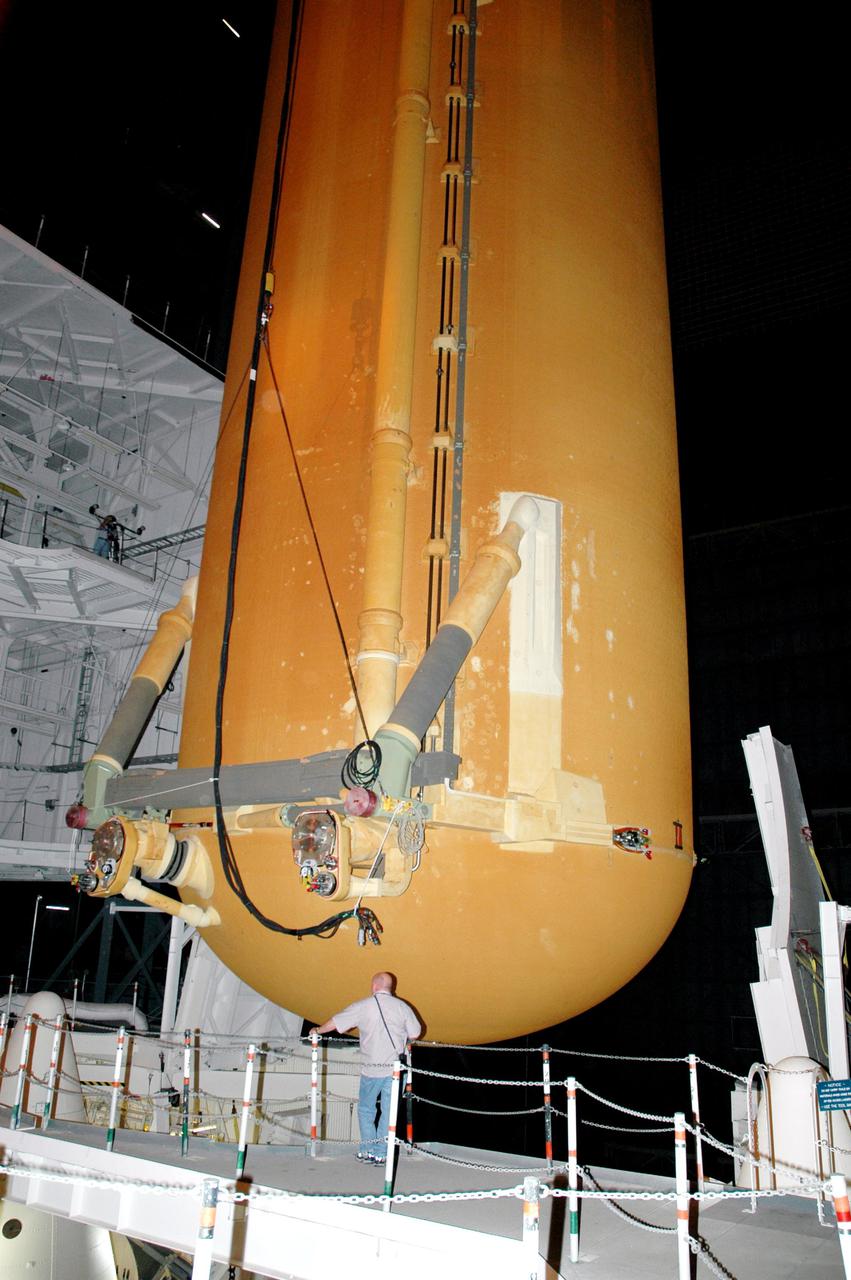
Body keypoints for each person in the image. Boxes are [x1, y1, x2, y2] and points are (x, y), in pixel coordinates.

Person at [310, 972, 421, 1163]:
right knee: (388, 1112)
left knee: (367, 1109)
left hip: (371, 1069)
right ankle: (381, 1153)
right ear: (390, 987)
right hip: (396, 1069)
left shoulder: (363, 1006)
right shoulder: (402, 1007)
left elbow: (336, 1023)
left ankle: (368, 1149)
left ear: (374, 986)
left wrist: (317, 1030)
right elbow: (416, 1032)